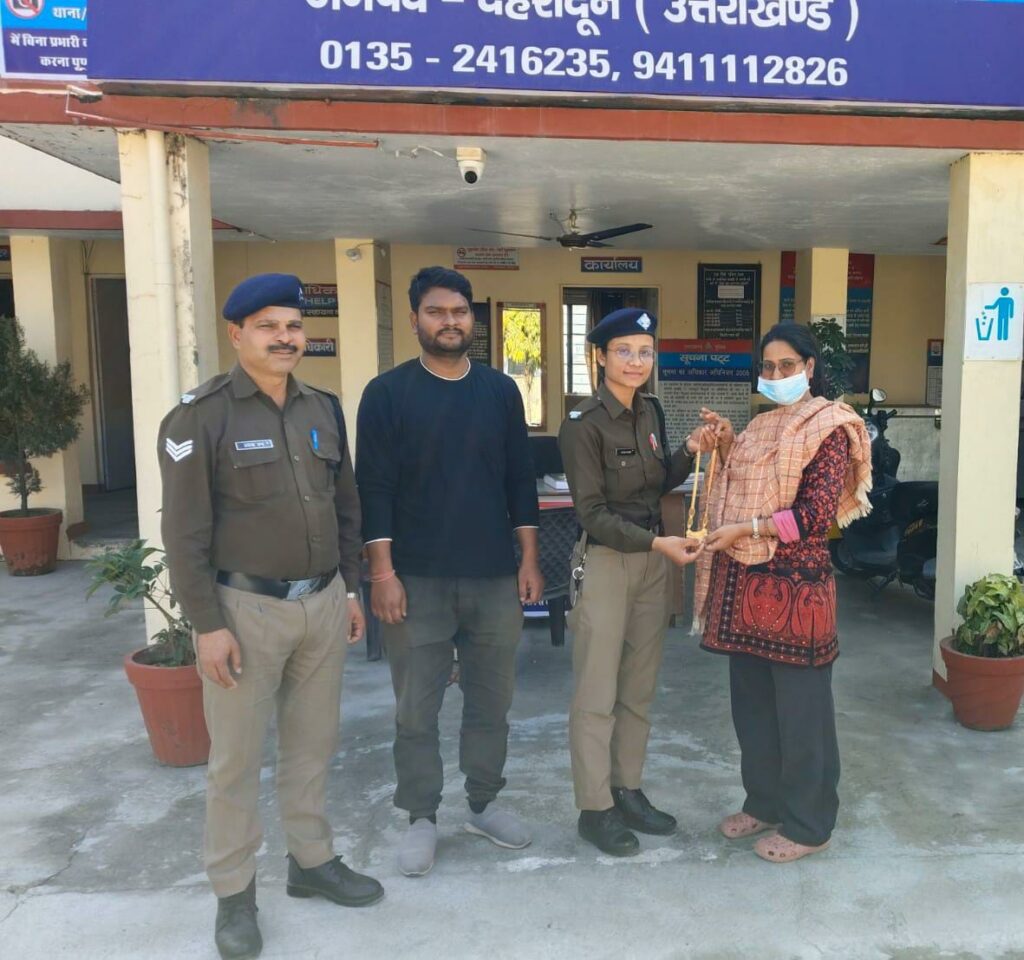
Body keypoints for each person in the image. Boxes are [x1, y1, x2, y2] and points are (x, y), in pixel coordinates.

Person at [158, 273, 383, 960]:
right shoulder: (200, 417)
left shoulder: (323, 408)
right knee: (236, 761)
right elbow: (184, 535)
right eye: (267, 326)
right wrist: (207, 625)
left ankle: (311, 862)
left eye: (292, 326)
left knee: (313, 747)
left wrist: (349, 590)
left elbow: (346, 506)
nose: (285, 338)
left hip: (322, 603)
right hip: (244, 611)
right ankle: (234, 894)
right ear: (237, 334)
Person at [356, 266, 543, 878]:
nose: (450, 321)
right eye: (436, 311)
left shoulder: (500, 392)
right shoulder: (387, 394)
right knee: (416, 708)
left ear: (472, 320)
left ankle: (483, 804)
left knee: (491, 701)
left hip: (492, 578)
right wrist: (382, 574)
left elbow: (520, 480)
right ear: (415, 319)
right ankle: (421, 816)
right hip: (417, 581)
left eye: (459, 311)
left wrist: (529, 559)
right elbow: (374, 488)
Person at [696, 323, 871, 864]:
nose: (776, 375)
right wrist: (728, 444)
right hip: (744, 588)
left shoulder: (830, 427)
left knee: (802, 717)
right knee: (753, 710)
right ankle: (765, 803)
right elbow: (744, 485)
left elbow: (813, 516)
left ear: (810, 367)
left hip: (798, 594)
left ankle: (810, 824)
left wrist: (748, 529)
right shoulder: (760, 425)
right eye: (768, 367)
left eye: (787, 365)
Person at [558, 307, 708, 857]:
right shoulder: (582, 424)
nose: (636, 361)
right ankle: (594, 808)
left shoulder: (652, 410)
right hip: (607, 562)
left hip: (651, 562)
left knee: (638, 688)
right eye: (624, 351)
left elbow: (658, 480)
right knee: (597, 693)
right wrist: (656, 544)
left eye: (645, 352)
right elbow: (591, 513)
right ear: (600, 356)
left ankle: (627, 789)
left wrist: (688, 450)